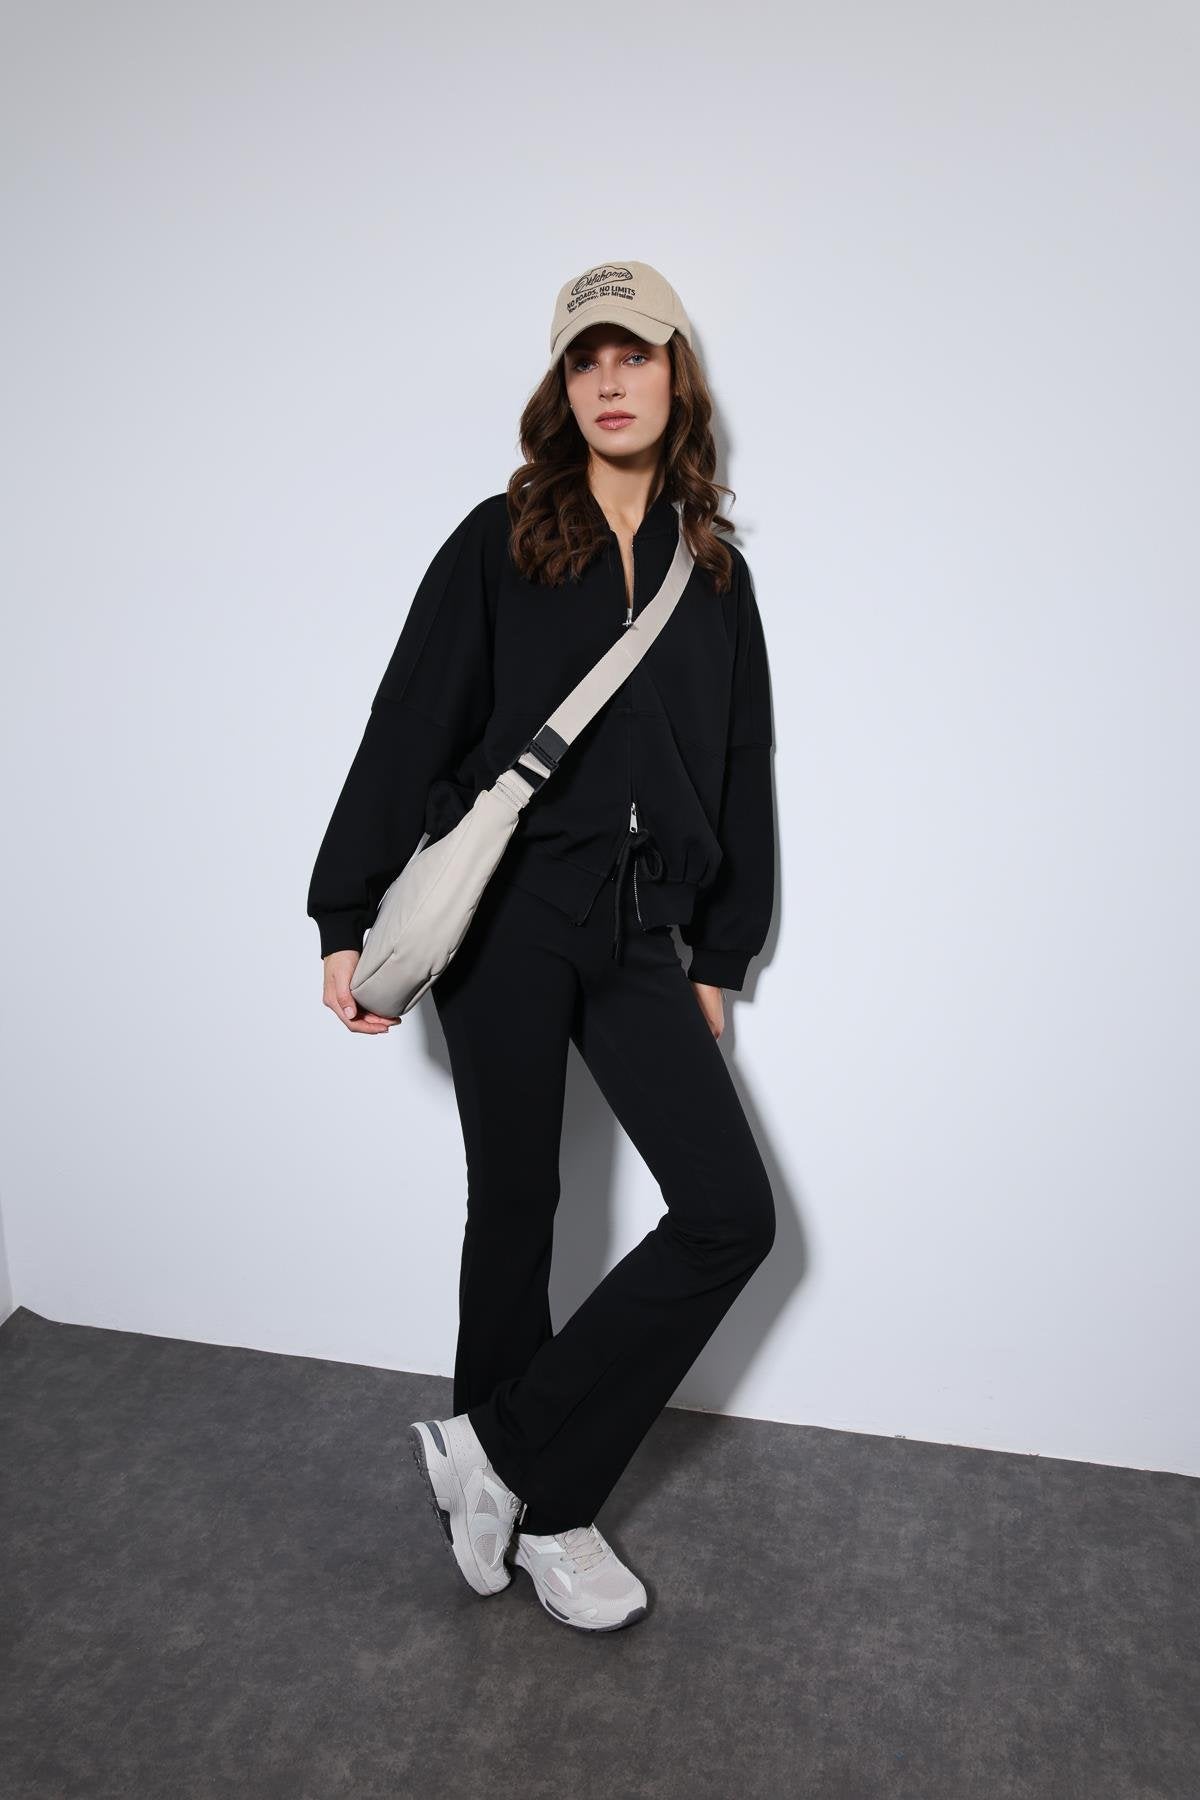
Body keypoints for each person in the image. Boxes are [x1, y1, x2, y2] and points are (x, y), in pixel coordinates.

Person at [307, 259, 777, 1633]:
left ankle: (505, 1459)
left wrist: (717, 954)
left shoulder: (715, 575)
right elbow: (410, 719)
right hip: (506, 918)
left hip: (639, 929)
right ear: (562, 386)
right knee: (516, 1209)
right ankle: (542, 1511)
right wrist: (345, 913)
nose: (612, 382)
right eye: (587, 359)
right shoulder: (500, 541)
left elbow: (739, 766)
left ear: (678, 377)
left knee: (730, 1217)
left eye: (637, 355)